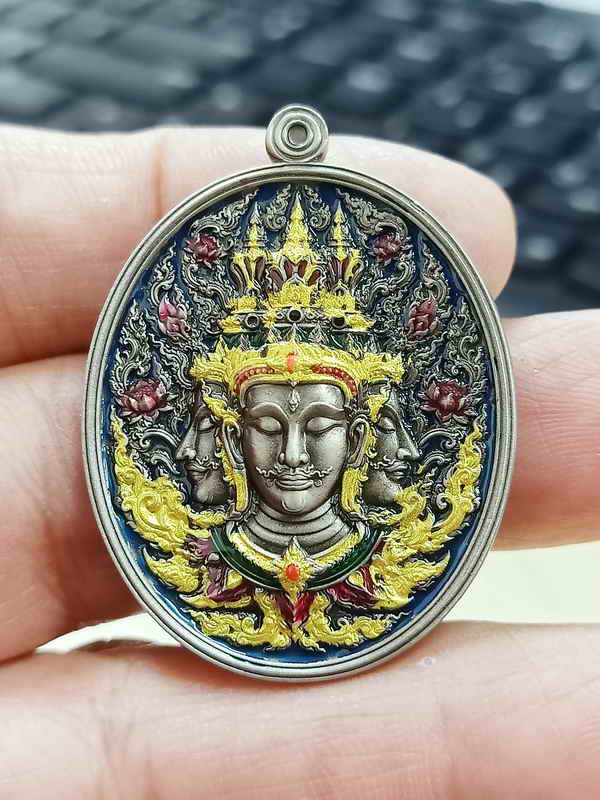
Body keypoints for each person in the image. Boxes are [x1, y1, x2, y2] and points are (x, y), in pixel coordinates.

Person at [1, 124, 598, 797]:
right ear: (229, 435)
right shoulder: (201, 553)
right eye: (265, 426)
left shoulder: (390, 555)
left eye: (320, 427)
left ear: (361, 436)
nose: (291, 456)